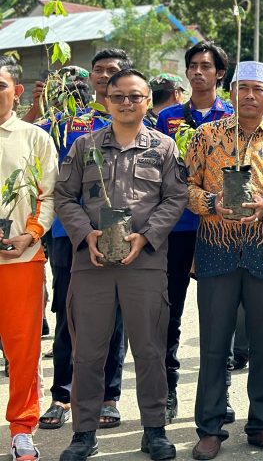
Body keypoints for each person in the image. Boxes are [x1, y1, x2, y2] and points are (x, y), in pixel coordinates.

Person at [54, 67, 187, 461]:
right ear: (106, 100)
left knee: (149, 348)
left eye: (135, 96)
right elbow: (64, 196)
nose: (126, 103)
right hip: (91, 261)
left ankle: (154, 429)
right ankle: (83, 433)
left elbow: (175, 198)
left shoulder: (164, 147)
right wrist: (85, 233)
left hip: (143, 262)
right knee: (88, 352)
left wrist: (147, 236)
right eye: (118, 97)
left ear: (147, 101)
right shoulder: (84, 146)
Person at [185, 62, 263, 459]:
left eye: (258, 89)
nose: (249, 96)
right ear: (231, 92)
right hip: (217, 249)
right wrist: (213, 203)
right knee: (215, 344)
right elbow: (188, 187)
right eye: (242, 88)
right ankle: (210, 427)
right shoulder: (207, 135)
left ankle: (262, 424)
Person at [39, 49, 132, 432]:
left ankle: (109, 395)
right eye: (100, 70)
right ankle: (62, 395)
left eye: (114, 71)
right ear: (91, 76)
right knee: (69, 315)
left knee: (117, 315)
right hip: (68, 233)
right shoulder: (64, 122)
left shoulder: (133, 119)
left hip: (119, 230)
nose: (105, 76)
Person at [155, 40, 234, 423]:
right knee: (168, 312)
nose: (199, 71)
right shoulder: (167, 117)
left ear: (220, 73)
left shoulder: (234, 114)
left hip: (222, 227)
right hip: (178, 227)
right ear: (186, 72)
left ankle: (221, 393)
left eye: (207, 65)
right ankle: (167, 391)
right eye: (193, 65)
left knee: (220, 314)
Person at [0, 55, 58, 461]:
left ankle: (22, 428)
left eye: (0, 85)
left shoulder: (34, 137)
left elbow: (49, 195)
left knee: (23, 351)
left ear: (17, 92)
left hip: (21, 259)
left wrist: (30, 235)